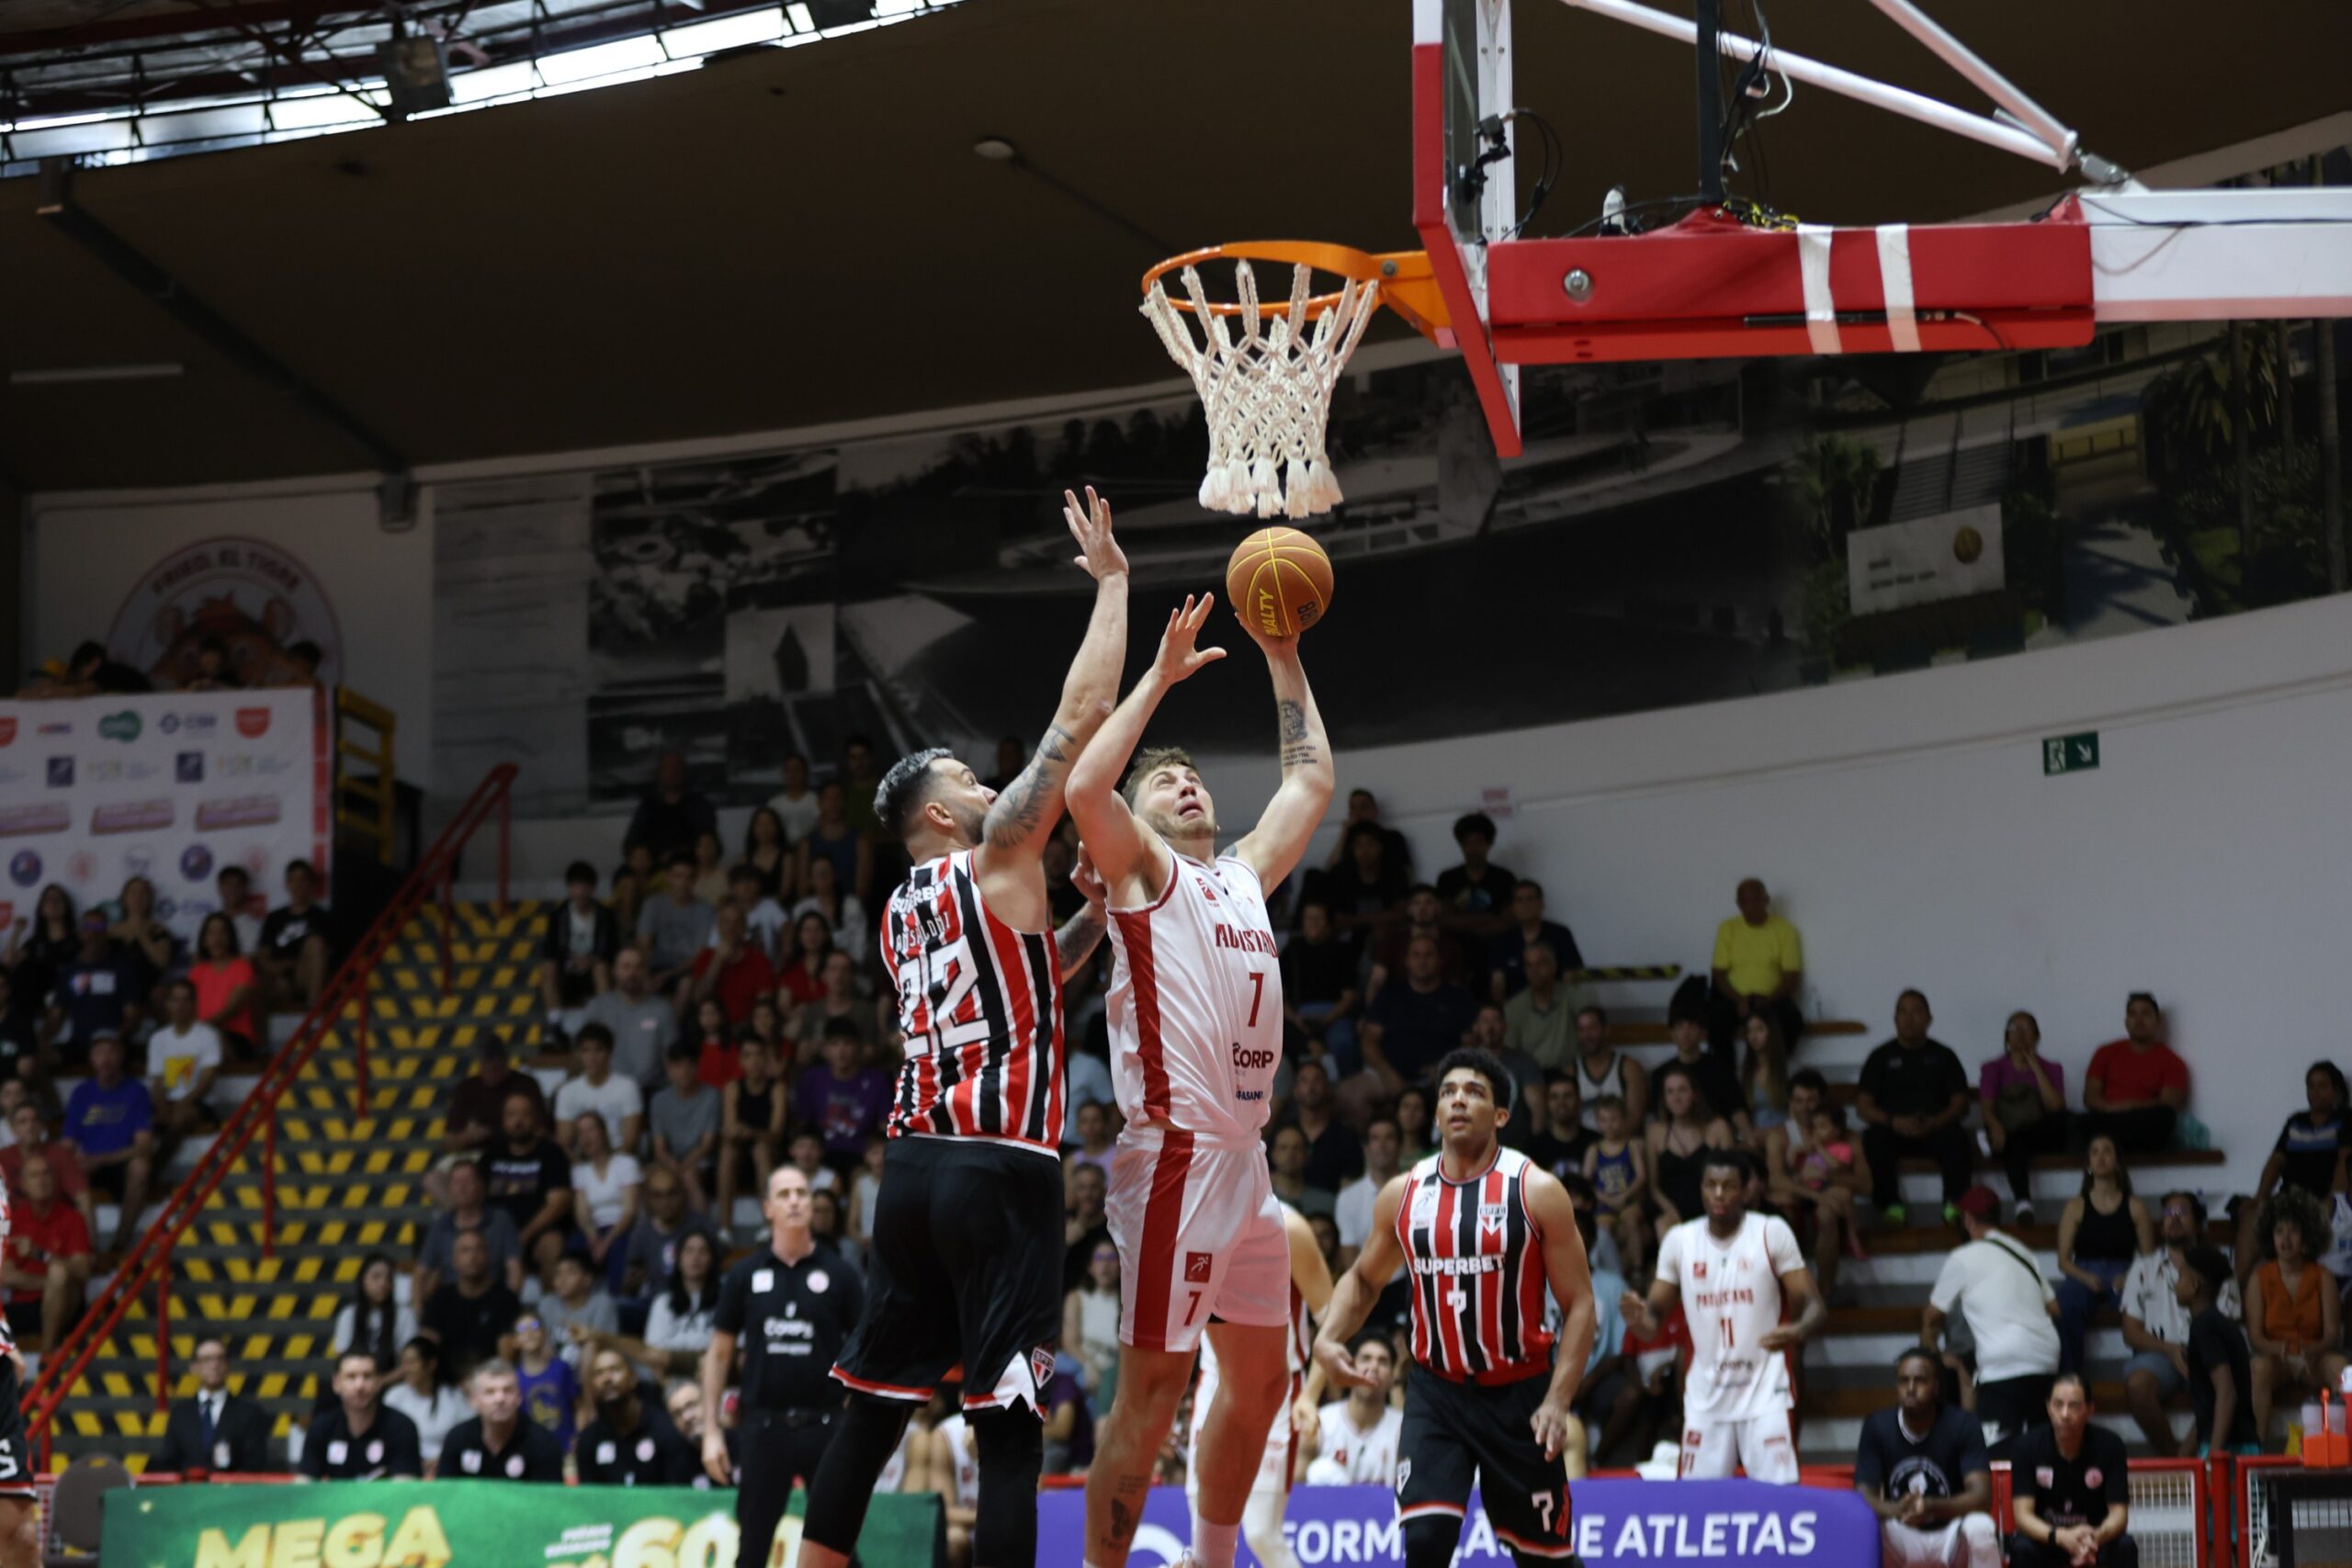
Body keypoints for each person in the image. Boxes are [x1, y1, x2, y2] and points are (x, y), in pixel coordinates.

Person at [1063, 584, 1336, 1568]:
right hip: (1173, 1167)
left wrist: (1281, 651)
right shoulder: (1140, 875)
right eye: (1163, 784)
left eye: (1191, 780)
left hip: (1245, 1168)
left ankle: (1214, 1558)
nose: (1184, 787)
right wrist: (1160, 681)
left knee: (1260, 1382)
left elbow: (1308, 786)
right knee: (1150, 1396)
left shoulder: (1241, 874)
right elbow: (1087, 791)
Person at [1312, 1051, 1596, 1568]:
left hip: (1520, 1396)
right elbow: (1363, 1279)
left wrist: (1558, 1400)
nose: (1459, 1099)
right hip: (1435, 1391)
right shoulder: (1403, 1193)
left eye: (1475, 1092)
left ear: (1501, 1116)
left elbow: (1580, 1306)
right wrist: (1329, 1337)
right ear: (1437, 1111)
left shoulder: (1535, 1191)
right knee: (1424, 1542)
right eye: (1448, 1092)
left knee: (1544, 1558)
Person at [1625, 1147, 1824, 1481]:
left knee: (1778, 1500)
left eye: (1729, 1185)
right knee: (1696, 1505)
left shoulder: (1770, 1232)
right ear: (1701, 1188)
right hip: (1706, 1398)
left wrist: (1798, 1330)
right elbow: (1651, 1323)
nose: (1719, 1194)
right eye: (1711, 1185)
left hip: (1764, 1395)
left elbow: (1816, 1306)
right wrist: (1637, 1318)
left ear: (1747, 1189)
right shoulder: (1680, 1240)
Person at [705, 1166, 866, 1568]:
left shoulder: (840, 1274)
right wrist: (710, 1430)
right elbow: (719, 1354)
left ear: (812, 1205)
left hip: (827, 1427)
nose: (795, 1200)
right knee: (753, 1548)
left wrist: (858, 1417)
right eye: (784, 1194)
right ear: (767, 1209)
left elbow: (867, 1349)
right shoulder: (744, 1274)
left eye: (802, 1193)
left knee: (840, 1548)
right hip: (763, 1426)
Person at [1183, 1204, 1336, 1568]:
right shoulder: (1191, 1223)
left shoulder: (1291, 1228)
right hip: (1213, 1387)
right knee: (1201, 1534)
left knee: (1260, 1533)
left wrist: (1312, 1395)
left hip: (1276, 1392)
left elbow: (1333, 1322)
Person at [1925, 1187, 2060, 1448]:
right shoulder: (2023, 1252)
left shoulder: (1963, 1257)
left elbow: (1933, 1315)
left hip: (2003, 1363)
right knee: (2041, 1452)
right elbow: (2055, 1308)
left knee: (1997, 1457)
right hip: (2046, 1359)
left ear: (1967, 1220)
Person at [1856, 1346, 1999, 1568]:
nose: (1910, 1388)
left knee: (1981, 1527)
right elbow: (1863, 1496)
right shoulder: (1877, 1426)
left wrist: (1930, 1506)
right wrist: (1898, 1509)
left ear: (1935, 1387)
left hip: (1950, 1532)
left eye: (1920, 1380)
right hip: (1901, 1531)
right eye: (1904, 1381)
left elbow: (1981, 1497)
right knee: (1866, 1525)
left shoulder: (1963, 1424)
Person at [2119, 1191, 2233, 1457]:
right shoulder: (2143, 1267)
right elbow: (2130, 1332)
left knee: (2224, 1386)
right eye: (2168, 1214)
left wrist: (2198, 1353)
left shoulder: (2216, 1265)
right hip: (2160, 1355)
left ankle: (2186, 1457)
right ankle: (2175, 1459)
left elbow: (2228, 1321)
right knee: (2137, 1385)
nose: (2173, 1219)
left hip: (2206, 1353)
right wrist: (2170, 1349)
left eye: (2182, 1212)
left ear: (2198, 1222)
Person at [1857, 991, 1973, 1227]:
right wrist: (1894, 1121)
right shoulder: (1879, 1057)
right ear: (1895, 1018)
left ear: (1929, 1018)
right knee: (1873, 1138)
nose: (1909, 1018)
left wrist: (1936, 1122)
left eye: (1917, 1011)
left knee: (1958, 1137)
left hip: (1936, 1128)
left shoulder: (1944, 1055)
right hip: (1894, 1129)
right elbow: (1863, 1106)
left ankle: (1953, 1205)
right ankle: (1891, 1206)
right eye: (1903, 1012)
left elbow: (1961, 1102)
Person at [2245, 1185, 2345, 1444]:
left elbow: (2332, 1334)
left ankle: (2343, 1448)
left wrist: (2314, 1350)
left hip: (2315, 1357)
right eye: (2279, 1231)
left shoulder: (2323, 1277)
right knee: (2258, 1367)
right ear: (2271, 1237)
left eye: (2293, 1231)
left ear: (2307, 1237)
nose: (2286, 1239)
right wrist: (2278, 1348)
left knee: (2343, 1370)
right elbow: (2255, 1337)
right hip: (2277, 1359)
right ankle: (2256, 1448)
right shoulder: (2259, 1278)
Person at [2008, 1375, 2137, 1568]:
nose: (2065, 1414)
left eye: (2074, 1406)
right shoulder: (2025, 1447)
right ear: (2048, 1407)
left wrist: (2094, 1539)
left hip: (2093, 1542)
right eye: (2058, 1405)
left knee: (2125, 1546)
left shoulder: (2111, 1445)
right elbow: (2022, 1516)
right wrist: (2060, 1537)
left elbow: (2119, 1514)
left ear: (2090, 1409)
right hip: (2048, 1540)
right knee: (2022, 1548)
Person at [2242, 1061, 2352, 1280]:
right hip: (2290, 1198)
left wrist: (2332, 1200)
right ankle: (2236, 1287)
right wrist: (2261, 1196)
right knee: (2252, 1213)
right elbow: (2276, 1161)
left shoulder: (2346, 1120)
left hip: (2322, 1198)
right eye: (2310, 1086)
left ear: (2336, 1091)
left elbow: (2345, 1161)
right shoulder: (2296, 1121)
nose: (2314, 1092)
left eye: (2322, 1086)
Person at [2053, 1135, 2154, 1375]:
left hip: (2123, 1272)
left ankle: (2146, 1370)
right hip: (2083, 1272)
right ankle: (2070, 1377)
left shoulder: (2135, 1206)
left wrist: (2128, 1278)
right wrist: (2086, 1278)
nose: (2100, 1157)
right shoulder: (2075, 1206)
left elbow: (2149, 1260)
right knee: (2065, 1303)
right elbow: (2063, 1261)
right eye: (2094, 1152)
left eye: (2107, 1151)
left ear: (2117, 1162)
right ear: (2088, 1163)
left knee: (2147, 1301)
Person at [1765, 1070, 1868, 1302]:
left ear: (1822, 1100)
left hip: (1832, 1201)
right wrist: (1812, 1192)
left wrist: (1828, 1180)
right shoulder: (1780, 1136)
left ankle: (1824, 1292)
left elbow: (1866, 1184)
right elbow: (1775, 1179)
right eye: (1799, 1101)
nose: (1806, 1107)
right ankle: (1785, 1294)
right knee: (1783, 1207)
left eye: (1811, 1100)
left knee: (1827, 1213)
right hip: (1799, 1199)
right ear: (1790, 1103)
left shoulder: (1847, 1136)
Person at [1350, 935, 1479, 1117]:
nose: (1422, 961)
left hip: (1443, 1077)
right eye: (1416, 955)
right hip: (1390, 1075)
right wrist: (1387, 1073)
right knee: (1350, 1096)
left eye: (1428, 955)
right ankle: (1378, 1143)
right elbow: (1368, 1040)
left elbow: (1470, 1044)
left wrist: (1447, 1068)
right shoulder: (1389, 995)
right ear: (1407, 961)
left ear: (1439, 961)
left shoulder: (1458, 998)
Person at [62, 1032, 154, 1254]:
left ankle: (119, 1244)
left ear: (121, 1055)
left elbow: (144, 1146)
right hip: (88, 1165)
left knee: (141, 1166)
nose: (105, 1058)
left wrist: (101, 1159)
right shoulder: (82, 1092)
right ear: (91, 1058)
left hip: (117, 1164)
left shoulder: (137, 1091)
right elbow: (68, 1144)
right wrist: (72, 1161)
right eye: (99, 1052)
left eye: (111, 1051)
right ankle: (79, 1249)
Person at [2169, 1244, 2257, 1457]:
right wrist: (2184, 1454)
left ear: (2193, 1285)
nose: (2176, 1284)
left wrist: (2214, 1458)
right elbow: (2209, 1409)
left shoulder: (2204, 1327)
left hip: (2228, 1452)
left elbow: (2226, 1392)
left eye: (2181, 1277)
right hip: (2244, 1445)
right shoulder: (2224, 1325)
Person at [1980, 1011, 2069, 1222]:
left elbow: (2055, 1107)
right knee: (2015, 1141)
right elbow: (1987, 1106)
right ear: (2006, 1037)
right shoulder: (1992, 1068)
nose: (2020, 1034)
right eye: (2014, 1029)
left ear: (2037, 1036)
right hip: (2009, 1133)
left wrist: (2034, 1065)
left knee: (2068, 1120)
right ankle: (2023, 1203)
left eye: (2026, 1029)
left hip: (2040, 1131)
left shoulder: (2051, 1068)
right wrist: (1995, 1126)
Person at [2080, 994, 2188, 1154]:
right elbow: (2090, 1097)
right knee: (2077, 1121)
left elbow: (2170, 1104)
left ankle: (2113, 1146)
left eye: (2145, 1014)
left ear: (2157, 1021)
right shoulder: (2105, 1052)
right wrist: (2111, 1109)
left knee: (2165, 1117)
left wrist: (2130, 1106)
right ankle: (2113, 1146)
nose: (2138, 1020)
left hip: (2143, 1121)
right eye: (2133, 1014)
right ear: (2126, 1022)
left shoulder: (2173, 1062)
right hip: (2108, 1117)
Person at [577, 1344, 697, 1485]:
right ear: (592, 1386)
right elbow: (588, 1500)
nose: (607, 1379)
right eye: (599, 1373)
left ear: (633, 1379)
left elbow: (677, 1494)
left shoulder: (665, 1430)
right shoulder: (588, 1439)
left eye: (615, 1370)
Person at [1706, 878, 1804, 1052]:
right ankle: (1726, 1076)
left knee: (1792, 1022)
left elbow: (1791, 977)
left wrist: (1766, 1002)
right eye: (1745, 901)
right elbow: (1719, 973)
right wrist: (1739, 1000)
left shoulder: (1785, 930)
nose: (1751, 906)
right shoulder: (1727, 928)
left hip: (1772, 999)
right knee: (1715, 1022)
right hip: (1735, 999)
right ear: (1738, 904)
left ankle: (1775, 1072)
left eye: (1756, 900)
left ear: (1766, 900)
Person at [2, 1155, 88, 1349]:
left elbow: (82, 1271)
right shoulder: (15, 1220)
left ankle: (48, 1355)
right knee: (58, 1275)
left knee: (59, 1271)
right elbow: (6, 1276)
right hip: (26, 1306)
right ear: (23, 1184)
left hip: (67, 1307)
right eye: (34, 1175)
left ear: (55, 1180)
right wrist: (52, 1285)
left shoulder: (72, 1218)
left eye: (46, 1173)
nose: (42, 1180)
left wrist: (41, 1255)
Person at [300, 1349, 424, 1481]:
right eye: (351, 1377)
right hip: (337, 1501)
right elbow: (304, 1486)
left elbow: (405, 1489)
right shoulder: (322, 1427)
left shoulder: (402, 1427)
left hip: (386, 1501)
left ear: (378, 1382)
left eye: (367, 1376)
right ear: (336, 1384)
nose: (359, 1386)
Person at [156, 1336, 272, 1474]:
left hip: (233, 1492)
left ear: (228, 1365)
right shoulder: (180, 1414)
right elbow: (169, 1464)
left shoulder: (250, 1413)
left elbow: (255, 1464)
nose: (214, 1365)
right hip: (189, 1493)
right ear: (193, 1367)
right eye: (207, 1359)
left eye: (220, 1358)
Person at [421, 1227, 522, 1382]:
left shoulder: (505, 1299)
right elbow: (426, 1347)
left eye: (478, 1249)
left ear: (488, 1256)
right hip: (444, 1387)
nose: (472, 1256)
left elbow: (506, 1357)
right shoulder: (440, 1297)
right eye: (465, 1251)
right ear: (454, 1260)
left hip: (491, 1385)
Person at [1301, 1333, 1404, 1483]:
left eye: (1383, 1362)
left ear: (1392, 1377)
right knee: (1320, 1470)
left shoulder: (1403, 1427)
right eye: (1365, 1359)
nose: (1373, 1367)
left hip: (1384, 1507)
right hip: (1328, 1507)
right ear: (1349, 1368)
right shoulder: (1320, 1423)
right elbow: (1295, 1487)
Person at [441, 1359, 567, 1481]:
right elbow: (445, 1494)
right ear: (474, 1400)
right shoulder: (457, 1439)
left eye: (507, 1391)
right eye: (490, 1392)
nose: (500, 1399)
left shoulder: (543, 1444)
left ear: (518, 1397)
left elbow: (550, 1500)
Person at [414, 1159, 523, 1302]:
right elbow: (420, 1275)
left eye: (468, 1181)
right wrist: (421, 1316)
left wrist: (508, 1305)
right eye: (457, 1182)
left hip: (493, 1299)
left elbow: (515, 1268)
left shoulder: (500, 1220)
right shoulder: (440, 1225)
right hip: (451, 1302)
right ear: (450, 1189)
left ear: (480, 1186)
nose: (462, 1187)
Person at [484, 1090, 573, 1261]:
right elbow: (476, 1195)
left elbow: (559, 1202)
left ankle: (550, 1290)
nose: (518, 1121)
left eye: (525, 1114)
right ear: (503, 1120)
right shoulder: (493, 1154)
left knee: (551, 1244)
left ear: (535, 1119)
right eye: (512, 1115)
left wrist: (524, 1235)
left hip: (539, 1232)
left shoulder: (551, 1152)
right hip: (496, 1232)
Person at [1645, 1062, 1733, 1233]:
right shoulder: (1655, 1132)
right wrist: (1670, 1210)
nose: (1676, 1097)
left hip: (1712, 1205)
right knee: (1663, 1224)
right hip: (1672, 1207)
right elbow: (1653, 1186)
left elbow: (1732, 1176)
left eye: (1682, 1090)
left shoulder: (1718, 1127)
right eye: (1670, 1092)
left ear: (1694, 1094)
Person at [439, 1032, 546, 1168]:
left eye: (497, 1069)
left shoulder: (526, 1085)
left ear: (506, 1062)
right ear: (480, 1065)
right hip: (474, 1156)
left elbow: (543, 1131)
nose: (492, 1074)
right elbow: (447, 1143)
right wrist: (465, 1137)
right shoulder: (466, 1088)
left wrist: (516, 1133)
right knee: (434, 1178)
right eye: (488, 1069)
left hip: (518, 1151)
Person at [538, 861, 620, 1039]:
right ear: (569, 889)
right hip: (567, 969)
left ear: (592, 888)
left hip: (595, 967)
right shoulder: (558, 916)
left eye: (584, 886)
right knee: (547, 969)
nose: (580, 891)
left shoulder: (605, 915)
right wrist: (570, 959)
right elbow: (551, 949)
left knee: (601, 969)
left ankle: (606, 1024)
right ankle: (555, 1024)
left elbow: (610, 948)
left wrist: (591, 960)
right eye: (575, 886)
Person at [797, 1021, 891, 1174]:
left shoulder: (877, 1080)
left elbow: (884, 1127)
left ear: (858, 1047)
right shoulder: (812, 1078)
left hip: (862, 1155)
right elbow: (802, 1124)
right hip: (821, 1154)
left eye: (847, 1044)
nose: (841, 1051)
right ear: (825, 1050)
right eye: (834, 1044)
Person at [716, 1035, 786, 1236]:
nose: (754, 1061)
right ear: (741, 1061)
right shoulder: (733, 1087)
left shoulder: (777, 1088)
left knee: (761, 1150)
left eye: (759, 1055)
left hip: (769, 1150)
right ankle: (725, 1227)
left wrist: (750, 1132)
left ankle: (768, 1223)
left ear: (767, 1059)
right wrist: (742, 1132)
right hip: (739, 1148)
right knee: (727, 1152)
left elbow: (776, 1132)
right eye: (748, 1056)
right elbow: (729, 1129)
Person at [581, 948, 679, 1091]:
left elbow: (671, 1057)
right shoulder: (597, 1007)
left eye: (638, 967)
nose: (632, 973)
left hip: (650, 1089)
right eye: (626, 967)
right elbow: (582, 1053)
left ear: (646, 972)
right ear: (614, 971)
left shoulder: (662, 1009)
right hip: (606, 1089)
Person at [1280, 900, 1360, 1073]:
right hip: (1298, 1015)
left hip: (1335, 1015)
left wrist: (1326, 1020)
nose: (1313, 923)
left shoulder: (1342, 951)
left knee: (1344, 1044)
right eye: (1309, 918)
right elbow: (1280, 996)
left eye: (1319, 918)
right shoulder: (1291, 951)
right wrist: (1296, 1020)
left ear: (1328, 922)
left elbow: (1349, 997)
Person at [571, 1112, 643, 1292]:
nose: (586, 1136)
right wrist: (592, 1237)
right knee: (572, 1248)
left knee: (618, 1248)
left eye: (591, 1130)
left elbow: (630, 1212)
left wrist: (606, 1242)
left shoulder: (626, 1163)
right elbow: (581, 1212)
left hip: (623, 1227)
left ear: (603, 1132)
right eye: (581, 1132)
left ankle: (616, 1300)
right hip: (595, 1229)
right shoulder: (580, 1170)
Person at [647, 1043, 719, 1217]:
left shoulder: (712, 1096)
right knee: (647, 1176)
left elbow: (706, 1145)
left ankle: (702, 1229)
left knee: (689, 1176)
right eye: (678, 1066)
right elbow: (659, 1148)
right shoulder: (659, 1100)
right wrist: (673, 1165)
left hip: (702, 1161)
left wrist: (681, 1168)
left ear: (697, 1067)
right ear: (669, 1069)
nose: (684, 1071)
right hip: (671, 1159)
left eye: (689, 1065)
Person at [146, 978, 223, 1139]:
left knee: (179, 1118)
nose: (179, 1006)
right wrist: (162, 1108)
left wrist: (182, 1104)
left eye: (185, 1000)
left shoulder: (208, 1035)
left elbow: (206, 1080)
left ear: (194, 1004)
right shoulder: (158, 1038)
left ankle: (156, 1163)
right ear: (167, 1004)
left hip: (198, 1103)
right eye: (174, 1000)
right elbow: (157, 1081)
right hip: (168, 1102)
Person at [1583, 1095, 1650, 1279]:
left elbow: (1641, 1175)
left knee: (1631, 1223)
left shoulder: (1630, 1145)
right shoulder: (1595, 1149)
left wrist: (1625, 1195)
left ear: (1623, 1120)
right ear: (1597, 1122)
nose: (1610, 1125)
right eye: (1604, 1120)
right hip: (1604, 1203)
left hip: (1627, 1201)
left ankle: (1637, 1269)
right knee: (1601, 1229)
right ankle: (1604, 1271)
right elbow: (1586, 1182)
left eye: (1614, 1120)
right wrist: (1605, 1198)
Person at [256, 860, 336, 1012]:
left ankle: (314, 1006)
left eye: (303, 879)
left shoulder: (322, 917)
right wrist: (282, 966)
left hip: (307, 975)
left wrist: (296, 964)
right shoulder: (274, 918)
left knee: (315, 942)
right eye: (294, 879)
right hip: (279, 977)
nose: (298, 884)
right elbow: (263, 957)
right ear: (287, 884)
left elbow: (327, 954)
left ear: (310, 884)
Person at [1487, 881, 1583, 1004]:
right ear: (1513, 907)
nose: (1525, 905)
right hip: (1515, 1007)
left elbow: (1570, 976)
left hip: (1556, 1005)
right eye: (1519, 900)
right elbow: (1498, 983)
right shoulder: (1502, 940)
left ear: (1541, 904)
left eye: (1530, 899)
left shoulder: (1560, 934)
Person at [553, 1025, 644, 1155]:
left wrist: (604, 1164)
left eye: (598, 1050)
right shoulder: (567, 1091)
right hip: (580, 1163)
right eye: (586, 1051)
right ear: (579, 1054)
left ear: (609, 1052)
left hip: (618, 1161)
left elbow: (630, 1142)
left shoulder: (628, 1087)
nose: (592, 1057)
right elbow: (564, 1142)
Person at [382, 1337, 466, 1476]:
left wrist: (443, 1459)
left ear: (431, 1364)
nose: (405, 1369)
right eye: (403, 1363)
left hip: (446, 1468)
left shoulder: (453, 1397)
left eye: (412, 1362)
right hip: (403, 1469)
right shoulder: (394, 1397)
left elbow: (467, 1436)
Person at [1277, 1059, 1362, 1196]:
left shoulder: (1346, 1137)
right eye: (1304, 1081)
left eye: (1317, 1080)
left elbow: (1350, 1190)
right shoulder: (1282, 1134)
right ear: (1295, 1091)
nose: (1311, 1087)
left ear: (1328, 1088)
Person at [636, 853, 716, 997]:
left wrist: (671, 973)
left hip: (686, 968)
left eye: (689, 877)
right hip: (654, 965)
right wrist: (646, 973)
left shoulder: (705, 910)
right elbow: (644, 944)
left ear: (695, 879)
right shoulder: (653, 904)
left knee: (686, 982)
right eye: (678, 876)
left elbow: (700, 954)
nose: (683, 883)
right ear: (668, 877)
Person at [688, 900, 777, 1027]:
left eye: (737, 922)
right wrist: (717, 960)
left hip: (747, 1030)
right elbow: (698, 999)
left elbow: (764, 1007)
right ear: (718, 927)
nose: (732, 927)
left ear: (745, 927)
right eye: (726, 922)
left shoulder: (759, 960)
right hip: (711, 1030)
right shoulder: (706, 957)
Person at [626, 751, 719, 864]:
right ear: (659, 772)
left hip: (692, 871)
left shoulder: (699, 804)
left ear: (684, 772)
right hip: (655, 871)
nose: (672, 772)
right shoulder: (648, 806)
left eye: (676, 767)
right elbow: (632, 843)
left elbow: (710, 843)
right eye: (667, 768)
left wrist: (678, 855)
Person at [1334, 1117, 1403, 1269]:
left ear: (1400, 1146)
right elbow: (1350, 1257)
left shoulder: (1419, 1191)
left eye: (1389, 1138)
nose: (1382, 1145)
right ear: (1366, 1148)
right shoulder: (1348, 1198)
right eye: (1375, 1138)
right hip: (1366, 1285)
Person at [333, 1252, 418, 1374]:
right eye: (376, 1277)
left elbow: (411, 1363)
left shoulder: (404, 1315)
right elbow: (341, 1359)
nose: (383, 1284)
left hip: (393, 1385)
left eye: (388, 1278)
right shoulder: (349, 1315)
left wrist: (382, 1382)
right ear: (363, 1281)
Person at [1434, 812, 1518, 932]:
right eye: (1467, 843)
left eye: (1478, 842)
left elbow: (1508, 920)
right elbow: (1445, 919)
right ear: (1461, 845)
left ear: (1489, 844)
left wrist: (1464, 924)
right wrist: (1491, 918)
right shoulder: (1448, 878)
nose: (1473, 849)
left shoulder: (1504, 877)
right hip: (1458, 946)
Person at [1501, 942, 1577, 1071]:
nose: (1534, 971)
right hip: (1531, 1077)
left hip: (1569, 1074)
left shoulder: (1576, 997)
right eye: (1529, 965)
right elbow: (1510, 1053)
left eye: (1540, 964)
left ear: (1553, 966)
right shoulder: (1513, 1007)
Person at [1525, 1074, 1596, 1186]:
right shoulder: (1533, 1148)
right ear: (1547, 1103)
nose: (1561, 1103)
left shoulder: (1596, 1143)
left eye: (1567, 1096)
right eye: (1554, 1097)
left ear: (1579, 1101)